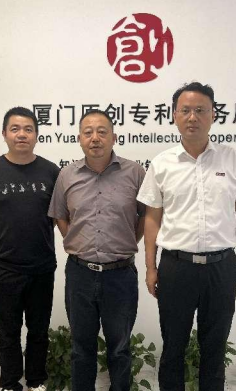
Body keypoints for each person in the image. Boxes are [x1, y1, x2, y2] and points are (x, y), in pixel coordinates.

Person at [137, 82, 236, 391]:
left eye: (200, 110)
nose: (192, 117)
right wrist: (151, 267)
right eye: (185, 110)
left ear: (213, 115)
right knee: (173, 345)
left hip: (221, 267)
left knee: (215, 347)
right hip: (176, 267)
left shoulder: (233, 160)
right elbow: (152, 219)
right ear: (174, 115)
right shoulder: (162, 163)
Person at [48, 110, 146, 391]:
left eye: (102, 132)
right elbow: (60, 216)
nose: (95, 138)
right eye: (88, 132)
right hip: (80, 274)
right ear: (79, 139)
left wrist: (128, 241)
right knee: (81, 348)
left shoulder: (135, 172)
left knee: (120, 348)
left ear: (114, 137)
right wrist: (77, 241)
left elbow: (146, 216)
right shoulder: (67, 175)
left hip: (120, 275)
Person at [0, 107, 60, 392]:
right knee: (8, 332)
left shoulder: (51, 171)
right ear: (5, 134)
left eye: (28, 129)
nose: (22, 134)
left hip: (42, 266)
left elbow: (57, 216)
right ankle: (10, 383)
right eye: (15, 129)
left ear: (36, 134)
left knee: (38, 330)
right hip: (4, 268)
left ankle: (36, 380)